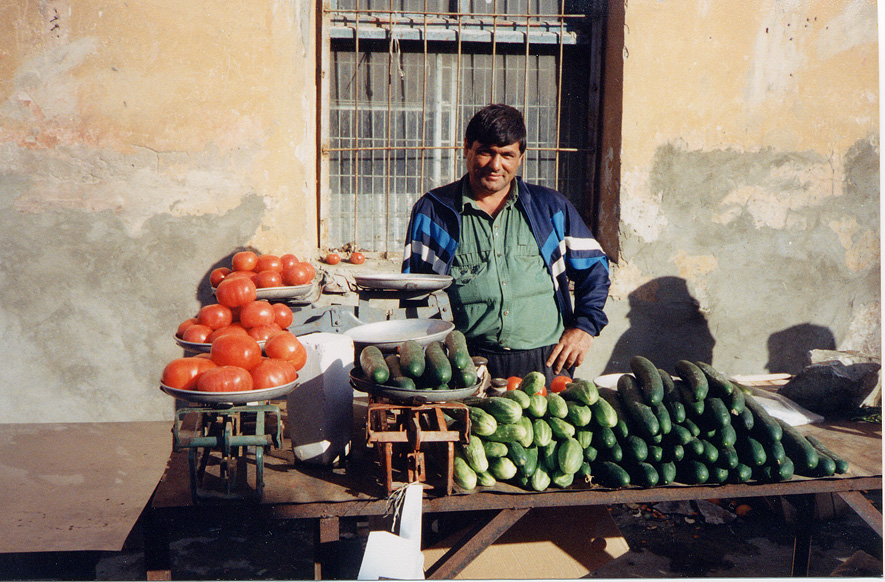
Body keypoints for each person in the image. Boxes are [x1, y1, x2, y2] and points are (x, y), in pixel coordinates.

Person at [402, 104, 610, 384]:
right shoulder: (434, 212)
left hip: (547, 363)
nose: (495, 165)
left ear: (521, 157)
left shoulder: (549, 208)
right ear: (467, 148)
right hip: (466, 364)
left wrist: (585, 327)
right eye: (486, 151)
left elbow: (595, 267)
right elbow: (413, 292)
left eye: (507, 155)